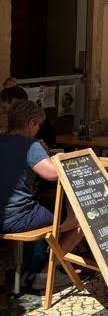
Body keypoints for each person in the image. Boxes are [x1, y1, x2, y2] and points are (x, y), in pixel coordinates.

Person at [0, 100, 83, 289]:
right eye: (37, 124)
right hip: (17, 217)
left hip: (3, 215)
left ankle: (33, 263)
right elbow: (52, 174)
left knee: (49, 211)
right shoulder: (30, 145)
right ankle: (44, 274)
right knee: (80, 219)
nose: (38, 129)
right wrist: (49, 156)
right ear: (30, 123)